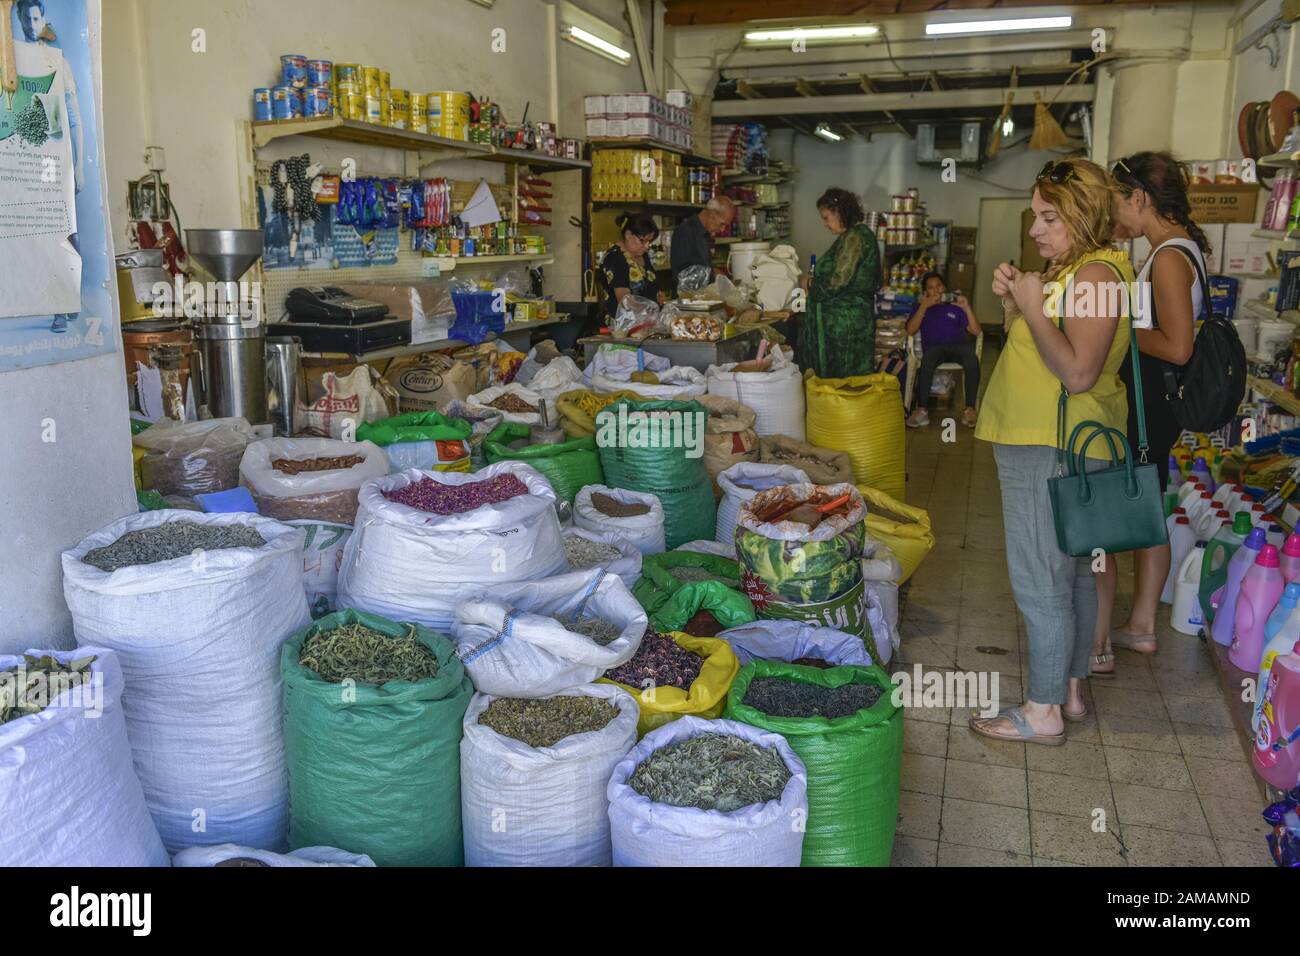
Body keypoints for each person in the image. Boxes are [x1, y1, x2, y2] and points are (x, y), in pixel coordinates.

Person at [971, 158, 1135, 745]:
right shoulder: (1080, 269)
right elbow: (1046, 347)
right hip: (1060, 441)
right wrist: (1021, 304)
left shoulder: (1094, 276)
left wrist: (1035, 307)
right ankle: (1068, 689)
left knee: (1043, 580)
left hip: (1049, 445)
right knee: (1073, 577)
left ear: (1083, 214)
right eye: (1035, 216)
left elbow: (1078, 371)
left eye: (1049, 217)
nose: (1036, 229)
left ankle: (1041, 711)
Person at [1090, 152, 1208, 675]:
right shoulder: (1177, 249)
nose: (1118, 213)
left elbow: (1178, 346)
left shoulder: (1167, 257)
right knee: (1148, 505)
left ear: (1140, 197)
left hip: (1150, 404)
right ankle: (1138, 625)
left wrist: (1118, 329)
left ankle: (1126, 630)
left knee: (1131, 508)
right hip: (1155, 401)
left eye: (1120, 201)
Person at [794, 187, 882, 378]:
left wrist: (809, 284)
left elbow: (837, 281)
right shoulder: (852, 236)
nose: (825, 224)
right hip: (846, 324)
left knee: (845, 380)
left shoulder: (855, 237)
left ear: (839, 212)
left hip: (846, 329)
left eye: (826, 218)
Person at [905, 271, 982, 429]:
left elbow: (976, 331)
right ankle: (922, 410)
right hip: (934, 349)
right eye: (931, 288)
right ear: (926, 292)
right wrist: (924, 306)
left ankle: (970, 409)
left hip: (958, 347)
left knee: (972, 360)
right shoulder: (921, 307)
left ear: (944, 287)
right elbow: (910, 330)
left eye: (939, 286)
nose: (936, 291)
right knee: (927, 362)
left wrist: (967, 308)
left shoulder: (955, 307)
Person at [599, 212, 665, 322]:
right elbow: (625, 302)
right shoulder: (615, 258)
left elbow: (649, 284)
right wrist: (651, 311)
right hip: (622, 329)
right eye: (642, 240)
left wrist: (659, 298)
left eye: (649, 241)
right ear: (628, 235)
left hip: (647, 324)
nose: (647, 246)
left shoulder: (641, 254)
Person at [669, 196, 735, 285]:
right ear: (712, 214)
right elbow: (682, 275)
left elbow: (701, 265)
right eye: (722, 224)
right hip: (688, 296)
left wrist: (717, 273)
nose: (722, 230)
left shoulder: (704, 234)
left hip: (701, 294)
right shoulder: (685, 232)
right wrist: (712, 274)